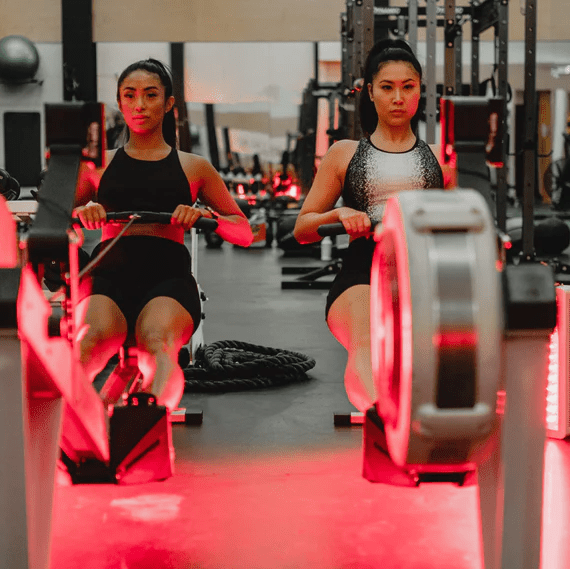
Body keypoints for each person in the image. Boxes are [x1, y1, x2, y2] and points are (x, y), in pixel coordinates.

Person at [73, 58, 253, 411]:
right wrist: (80, 214)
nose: (139, 105)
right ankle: (68, 424)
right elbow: (54, 222)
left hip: (167, 277)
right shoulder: (96, 165)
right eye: (130, 95)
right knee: (88, 344)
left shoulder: (194, 166)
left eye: (150, 95)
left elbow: (245, 233)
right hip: (108, 274)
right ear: (119, 102)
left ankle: (148, 417)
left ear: (169, 103)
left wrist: (207, 217)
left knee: (157, 342)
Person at [293, 39, 446, 413]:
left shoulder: (440, 158)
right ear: (371, 93)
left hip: (423, 273)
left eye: (408, 87)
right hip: (362, 271)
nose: (398, 98)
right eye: (387, 87)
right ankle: (382, 418)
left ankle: (410, 418)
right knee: (368, 341)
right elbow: (302, 229)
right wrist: (339, 215)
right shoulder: (344, 153)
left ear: (420, 92)